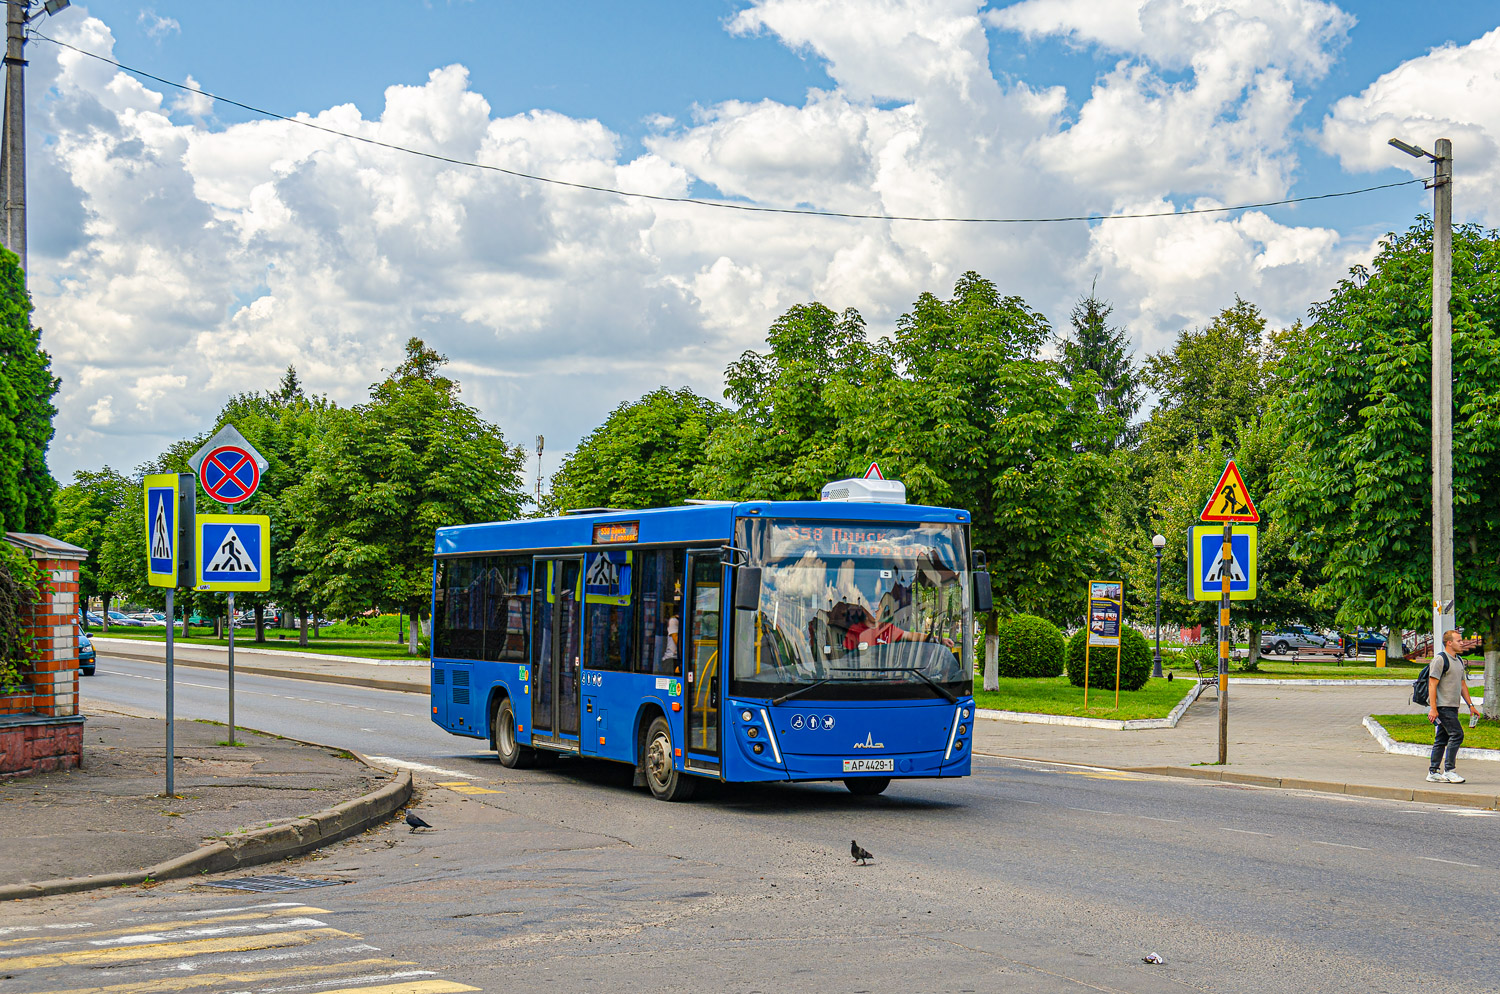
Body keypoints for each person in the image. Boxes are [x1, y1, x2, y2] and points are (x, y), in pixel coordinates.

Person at [1427, 629, 1481, 783]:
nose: (1462, 643)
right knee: (1457, 735)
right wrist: (1433, 708)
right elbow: (1432, 684)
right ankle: (1449, 770)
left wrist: (1471, 705)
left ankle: (1433, 771)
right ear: (1449, 643)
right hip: (1443, 706)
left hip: (1453, 706)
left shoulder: (1459, 661)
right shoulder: (1440, 660)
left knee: (1442, 738)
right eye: (1459, 640)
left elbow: (1462, 684)